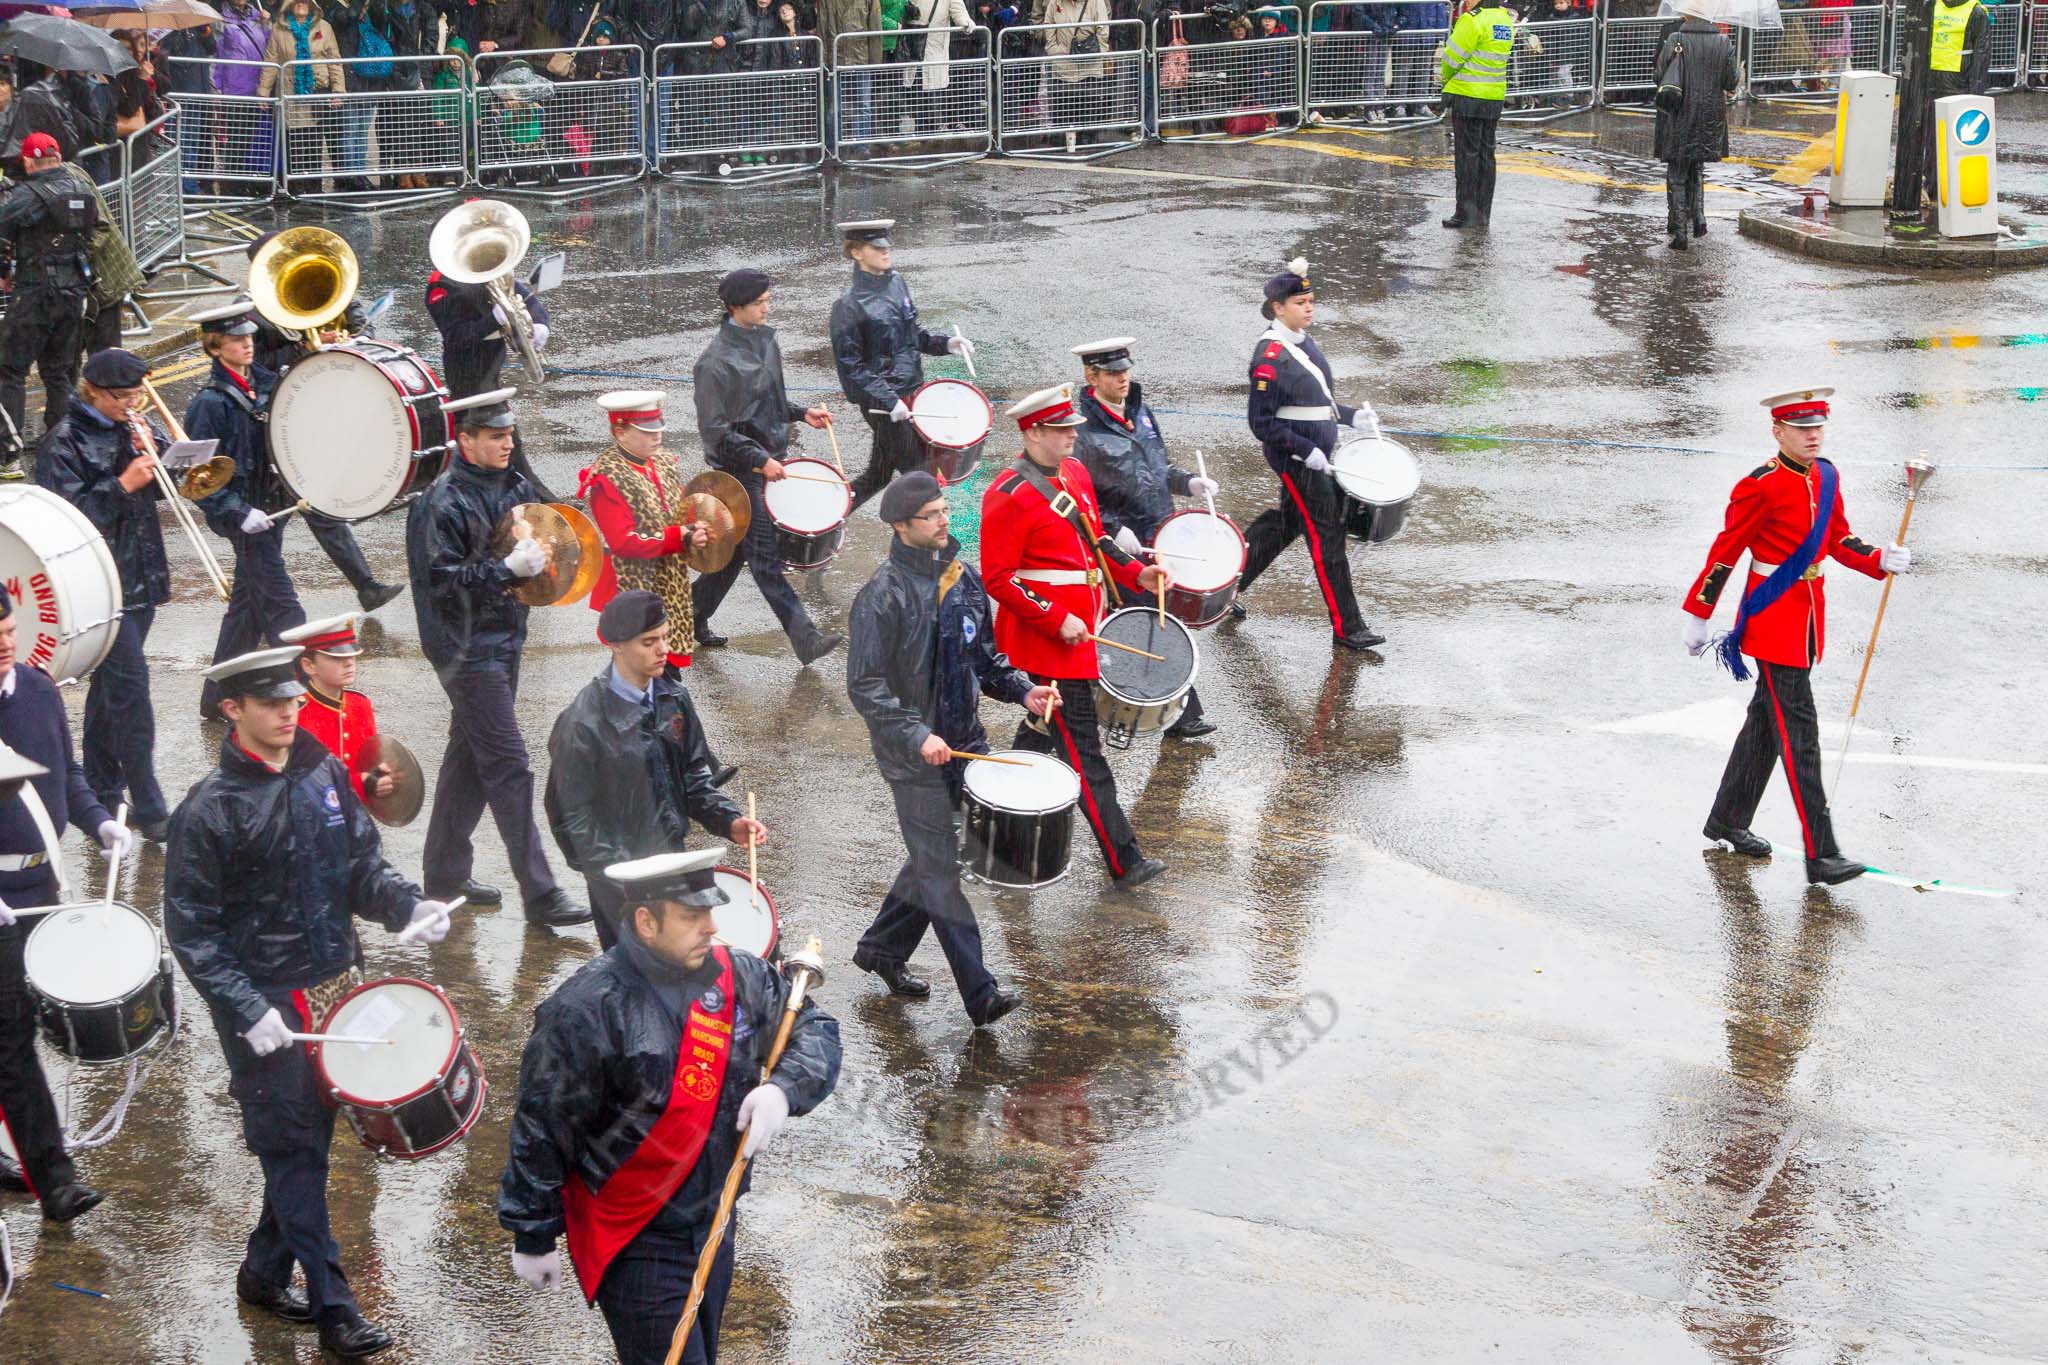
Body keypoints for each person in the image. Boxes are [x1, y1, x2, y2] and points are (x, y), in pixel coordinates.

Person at [165, 645, 456, 1359]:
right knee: (294, 1149)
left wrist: (405, 905)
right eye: (273, 703)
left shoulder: (326, 772)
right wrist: (244, 1007)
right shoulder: (207, 811)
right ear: (233, 709)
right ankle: (335, 1308)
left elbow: (360, 867)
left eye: (295, 700)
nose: (291, 713)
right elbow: (192, 931)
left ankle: (262, 1273)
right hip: (266, 1008)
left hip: (333, 986)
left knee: (307, 1145)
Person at [499, 848, 842, 1365]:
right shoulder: (585, 1007)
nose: (710, 927)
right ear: (645, 921)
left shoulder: (738, 973)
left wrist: (784, 1090)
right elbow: (544, 1125)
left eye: (710, 912)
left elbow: (814, 1030)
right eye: (691, 916)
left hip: (716, 1216)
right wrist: (533, 1232)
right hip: (639, 1235)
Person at [1681, 388, 1911, 888]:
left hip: (1806, 619)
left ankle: (1727, 819)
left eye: (1818, 426)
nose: (1813, 435)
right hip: (1772, 623)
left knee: (1765, 725)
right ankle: (1822, 854)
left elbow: (1836, 538)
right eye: (1802, 428)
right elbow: (1726, 551)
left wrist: (1878, 558)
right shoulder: (1758, 485)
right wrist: (1699, 611)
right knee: (1800, 737)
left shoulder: (1826, 476)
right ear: (1778, 431)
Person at [848, 472, 1047, 1022]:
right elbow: (865, 686)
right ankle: (979, 992)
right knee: (941, 872)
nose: (945, 521)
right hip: (912, 761)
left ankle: (881, 949)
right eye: (932, 515)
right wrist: (917, 734)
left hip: (965, 746)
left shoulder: (964, 581)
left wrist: (1025, 690)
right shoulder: (879, 597)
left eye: (944, 510)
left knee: (936, 859)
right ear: (900, 526)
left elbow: (985, 660)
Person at [405, 390, 588, 927]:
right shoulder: (439, 503)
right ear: (465, 441)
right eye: (495, 436)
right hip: (463, 648)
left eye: (510, 435)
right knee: (508, 764)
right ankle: (540, 892)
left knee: (468, 756)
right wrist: (508, 569)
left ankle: (444, 876)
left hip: (504, 639)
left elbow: (540, 547)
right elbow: (440, 584)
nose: (508, 443)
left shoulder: (516, 486)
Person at [979, 383, 1170, 888]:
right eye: (1062, 430)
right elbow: (999, 577)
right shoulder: (1006, 495)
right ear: (1034, 431)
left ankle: (984, 827)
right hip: (1049, 643)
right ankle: (1125, 860)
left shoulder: (1077, 473)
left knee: (1038, 740)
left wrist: (1136, 574)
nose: (1071, 436)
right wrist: (1053, 617)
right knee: (1085, 755)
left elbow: (1096, 538)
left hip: (1081, 635)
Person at [0, 584, 126, 1220]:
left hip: (41, 891)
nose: (3, 643)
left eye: (7, 629)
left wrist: (100, 821)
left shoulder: (40, 690)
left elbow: (66, 777)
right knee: (11, 1043)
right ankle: (56, 1180)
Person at [544, 591, 766, 950]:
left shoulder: (674, 697)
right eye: (649, 642)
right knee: (633, 980)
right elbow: (571, 821)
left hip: (671, 860)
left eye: (664, 636)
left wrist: (729, 820)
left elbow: (693, 776)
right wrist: (619, 877)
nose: (663, 649)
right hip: (619, 881)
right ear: (616, 645)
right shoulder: (581, 723)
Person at [34, 349, 173, 841]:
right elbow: (62, 522)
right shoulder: (62, 443)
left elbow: (166, 489)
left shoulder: (130, 429)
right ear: (92, 391)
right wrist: (123, 483)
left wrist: (162, 459)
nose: (132, 403)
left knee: (110, 693)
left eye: (137, 394)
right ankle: (151, 806)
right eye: (122, 396)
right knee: (132, 695)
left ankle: (101, 787)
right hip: (97, 589)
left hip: (140, 578)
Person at [578, 391, 736, 787]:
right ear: (619, 431)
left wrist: (695, 529)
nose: (656, 437)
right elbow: (626, 541)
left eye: (657, 428)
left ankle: (630, 763)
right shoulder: (607, 479)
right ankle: (701, 766)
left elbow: (678, 515)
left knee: (646, 685)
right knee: (664, 683)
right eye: (645, 430)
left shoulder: (662, 463)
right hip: (632, 593)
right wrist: (678, 536)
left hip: (668, 587)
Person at [689, 268, 844, 665]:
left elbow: (770, 402)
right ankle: (805, 639)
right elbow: (715, 431)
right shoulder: (713, 364)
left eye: (767, 300)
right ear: (734, 307)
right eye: (759, 303)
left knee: (737, 554)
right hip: (739, 476)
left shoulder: (765, 342)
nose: (766, 307)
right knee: (765, 561)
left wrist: (800, 412)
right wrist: (761, 460)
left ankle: (690, 616)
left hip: (766, 463)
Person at [242, 234, 402, 615]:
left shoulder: (322, 280)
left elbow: (362, 322)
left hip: (315, 406)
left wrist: (352, 335)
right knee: (283, 513)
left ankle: (364, 586)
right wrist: (303, 349)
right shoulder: (250, 313)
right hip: (280, 416)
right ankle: (258, 597)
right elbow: (255, 367)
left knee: (309, 505)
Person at [1070, 336, 1220, 739]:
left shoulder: (1141, 411)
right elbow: (1078, 494)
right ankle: (1158, 711)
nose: (1122, 378)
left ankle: (1163, 709)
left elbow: (1158, 465)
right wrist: (1114, 529)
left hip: (1159, 533)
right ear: (1092, 375)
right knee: (1146, 623)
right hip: (1122, 546)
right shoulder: (1081, 431)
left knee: (1157, 619)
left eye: (1125, 370)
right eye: (1112, 372)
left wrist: (1188, 481)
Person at [1235, 259, 1384, 651]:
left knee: (1285, 525)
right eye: (1300, 302)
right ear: (1277, 308)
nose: (1309, 307)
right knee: (1326, 536)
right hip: (1298, 460)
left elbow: (1318, 401)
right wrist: (1306, 451)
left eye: (1311, 300)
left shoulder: (1303, 342)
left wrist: (1352, 417)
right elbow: (1261, 424)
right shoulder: (1269, 358)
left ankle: (1225, 588)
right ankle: (1347, 627)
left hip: (1316, 453)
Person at [185, 302, 310, 718]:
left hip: (272, 508)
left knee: (246, 610)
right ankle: (308, 694)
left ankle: (214, 698)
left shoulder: (269, 384)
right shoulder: (209, 404)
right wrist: (237, 511)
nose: (247, 344)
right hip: (243, 517)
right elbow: (197, 478)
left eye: (249, 337)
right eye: (237, 339)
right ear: (215, 347)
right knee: (284, 608)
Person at [827, 219, 975, 513]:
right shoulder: (848, 305)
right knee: (922, 478)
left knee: (880, 474)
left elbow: (911, 335)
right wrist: (888, 399)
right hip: (884, 406)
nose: (886, 252)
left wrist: (944, 344)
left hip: (911, 394)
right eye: (876, 246)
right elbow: (851, 366)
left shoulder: (896, 282)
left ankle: (826, 517)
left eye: (886, 245)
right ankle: (924, 546)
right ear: (856, 252)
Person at [0, 133, 97, 473]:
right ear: (57, 158)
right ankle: (60, 445)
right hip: (74, 293)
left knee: (9, 370)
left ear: (27, 161)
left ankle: (8, 453)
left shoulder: (25, 194)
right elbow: (93, 230)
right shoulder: (82, 188)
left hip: (35, 292)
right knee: (59, 372)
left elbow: (1, 230)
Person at [424, 262, 556, 499]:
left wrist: (540, 323)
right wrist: (494, 320)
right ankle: (537, 500)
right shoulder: (440, 285)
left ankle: (531, 497)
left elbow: (524, 297)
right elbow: (456, 336)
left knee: (499, 446)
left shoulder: (486, 272)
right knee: (491, 444)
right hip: (466, 373)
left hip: (491, 369)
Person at [280, 612, 400, 805]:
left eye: (352, 655)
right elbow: (298, 786)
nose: (349, 663)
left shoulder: (360, 704)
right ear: (308, 665)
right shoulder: (295, 714)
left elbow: (370, 760)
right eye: (336, 658)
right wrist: (359, 784)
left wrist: (380, 775)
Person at [1654, 0, 1740, 251]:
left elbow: (1660, 75)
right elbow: (1730, 81)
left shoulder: (1675, 38)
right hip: (1711, 114)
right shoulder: (1724, 42)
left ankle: (1679, 232)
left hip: (1680, 112)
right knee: (1697, 166)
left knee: (1677, 172)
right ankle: (1699, 219)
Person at [1439, 0, 1514, 228]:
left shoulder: (1472, 20)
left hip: (1468, 96)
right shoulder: (1504, 20)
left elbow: (1451, 59)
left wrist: (1445, 79)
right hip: (1493, 96)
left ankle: (1465, 214)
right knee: (1486, 156)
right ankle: (1482, 214)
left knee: (1467, 158)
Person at [1920, 0, 1991, 199]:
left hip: (1950, 83)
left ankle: (1941, 184)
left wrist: (1976, 92)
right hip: (1942, 80)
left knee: (1943, 138)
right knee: (1938, 136)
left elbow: (1981, 53)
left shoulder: (1974, 12)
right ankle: (1936, 184)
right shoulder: (1936, 5)